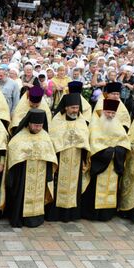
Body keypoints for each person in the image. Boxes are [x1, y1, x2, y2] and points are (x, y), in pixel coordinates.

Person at [5, 109, 57, 228]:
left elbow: (50, 156)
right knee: (21, 195)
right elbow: (13, 151)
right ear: (28, 123)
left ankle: (36, 218)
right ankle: (20, 218)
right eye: (35, 125)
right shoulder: (20, 137)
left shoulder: (45, 136)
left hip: (40, 173)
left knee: (38, 194)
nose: (38, 128)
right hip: (23, 173)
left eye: (40, 125)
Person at [80, 99, 129, 221]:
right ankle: (92, 214)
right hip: (99, 165)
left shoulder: (118, 125)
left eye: (113, 113)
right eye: (108, 112)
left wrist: (116, 151)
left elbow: (125, 143)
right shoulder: (95, 125)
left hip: (113, 166)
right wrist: (110, 152)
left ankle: (107, 213)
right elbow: (94, 144)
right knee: (94, 190)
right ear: (102, 111)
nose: (111, 115)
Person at [45, 94, 90, 222]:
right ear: (66, 108)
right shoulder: (57, 121)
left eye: (77, 107)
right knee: (58, 186)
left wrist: (83, 159)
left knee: (74, 187)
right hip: (60, 161)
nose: (75, 110)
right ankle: (56, 214)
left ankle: (72, 214)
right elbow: (53, 140)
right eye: (72, 108)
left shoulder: (81, 121)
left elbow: (85, 141)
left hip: (76, 160)